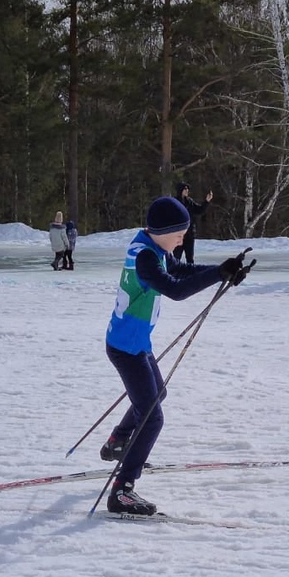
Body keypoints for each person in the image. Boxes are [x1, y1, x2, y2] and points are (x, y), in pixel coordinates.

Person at [100, 195, 250, 516]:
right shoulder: (145, 259)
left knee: (156, 395)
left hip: (135, 343)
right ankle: (122, 490)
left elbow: (180, 270)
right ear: (161, 231)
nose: (183, 238)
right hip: (126, 348)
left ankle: (118, 442)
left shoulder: (151, 247)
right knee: (152, 416)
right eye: (179, 233)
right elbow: (175, 289)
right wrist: (218, 274)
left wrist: (222, 271)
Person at [173, 182, 213, 265]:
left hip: (189, 235)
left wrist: (206, 201)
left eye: (188, 189)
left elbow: (199, 210)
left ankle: (191, 272)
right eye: (185, 189)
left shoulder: (189, 202)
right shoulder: (174, 202)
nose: (187, 190)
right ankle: (174, 272)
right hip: (178, 235)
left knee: (190, 258)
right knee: (176, 257)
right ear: (180, 190)